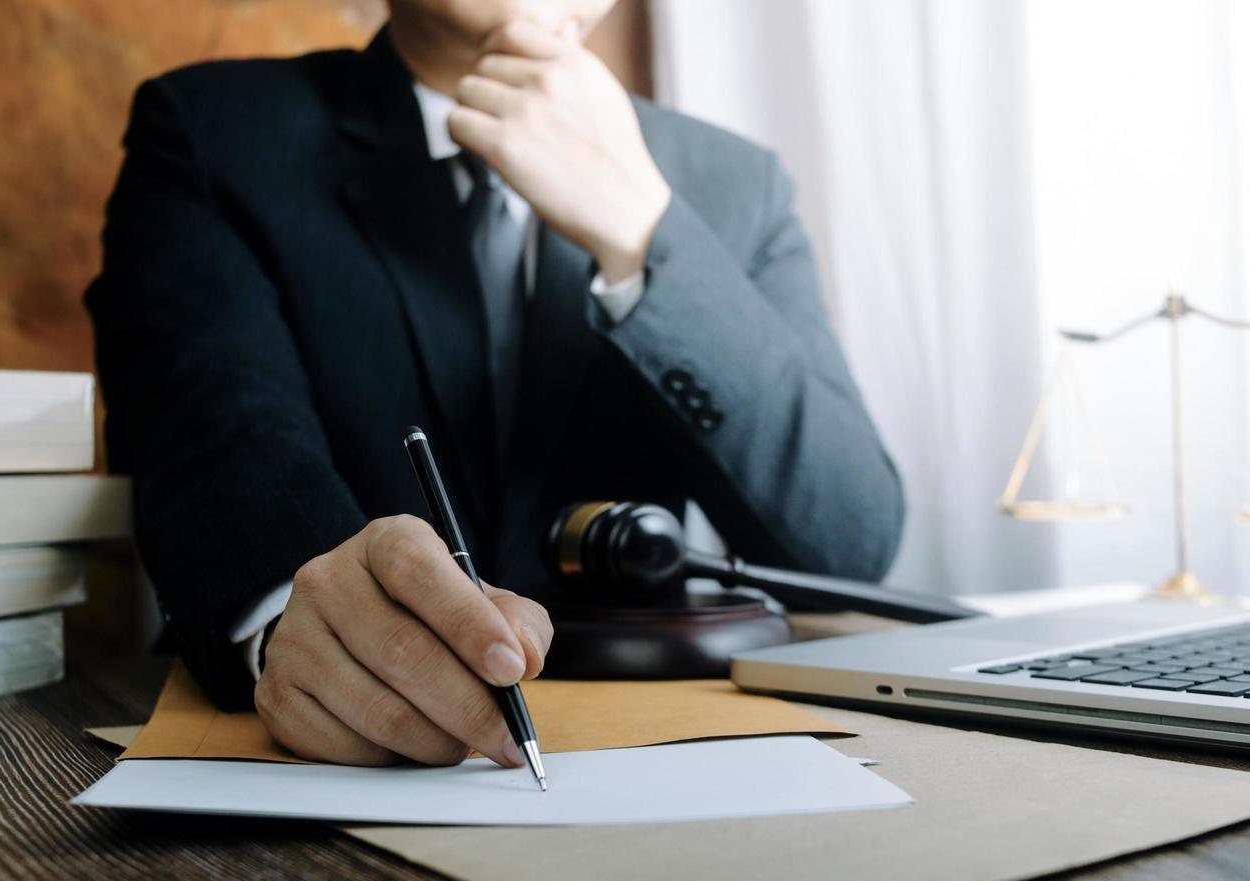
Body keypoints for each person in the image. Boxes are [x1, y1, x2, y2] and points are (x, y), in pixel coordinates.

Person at [86, 0, 903, 773]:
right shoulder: (215, 131)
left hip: (657, 754)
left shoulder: (735, 182)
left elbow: (846, 541)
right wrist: (299, 620)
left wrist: (641, 233)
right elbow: (211, 427)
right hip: (318, 765)